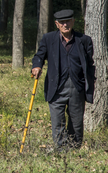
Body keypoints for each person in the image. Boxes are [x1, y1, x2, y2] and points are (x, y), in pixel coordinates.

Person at [31, 9, 95, 150]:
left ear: (73, 21)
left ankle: (74, 149)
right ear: (57, 24)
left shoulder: (84, 40)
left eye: (68, 21)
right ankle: (61, 150)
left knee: (76, 123)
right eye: (62, 22)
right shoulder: (48, 39)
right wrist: (37, 66)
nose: (65, 25)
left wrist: (89, 84)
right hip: (56, 87)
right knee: (57, 121)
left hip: (77, 87)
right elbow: (39, 56)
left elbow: (90, 65)